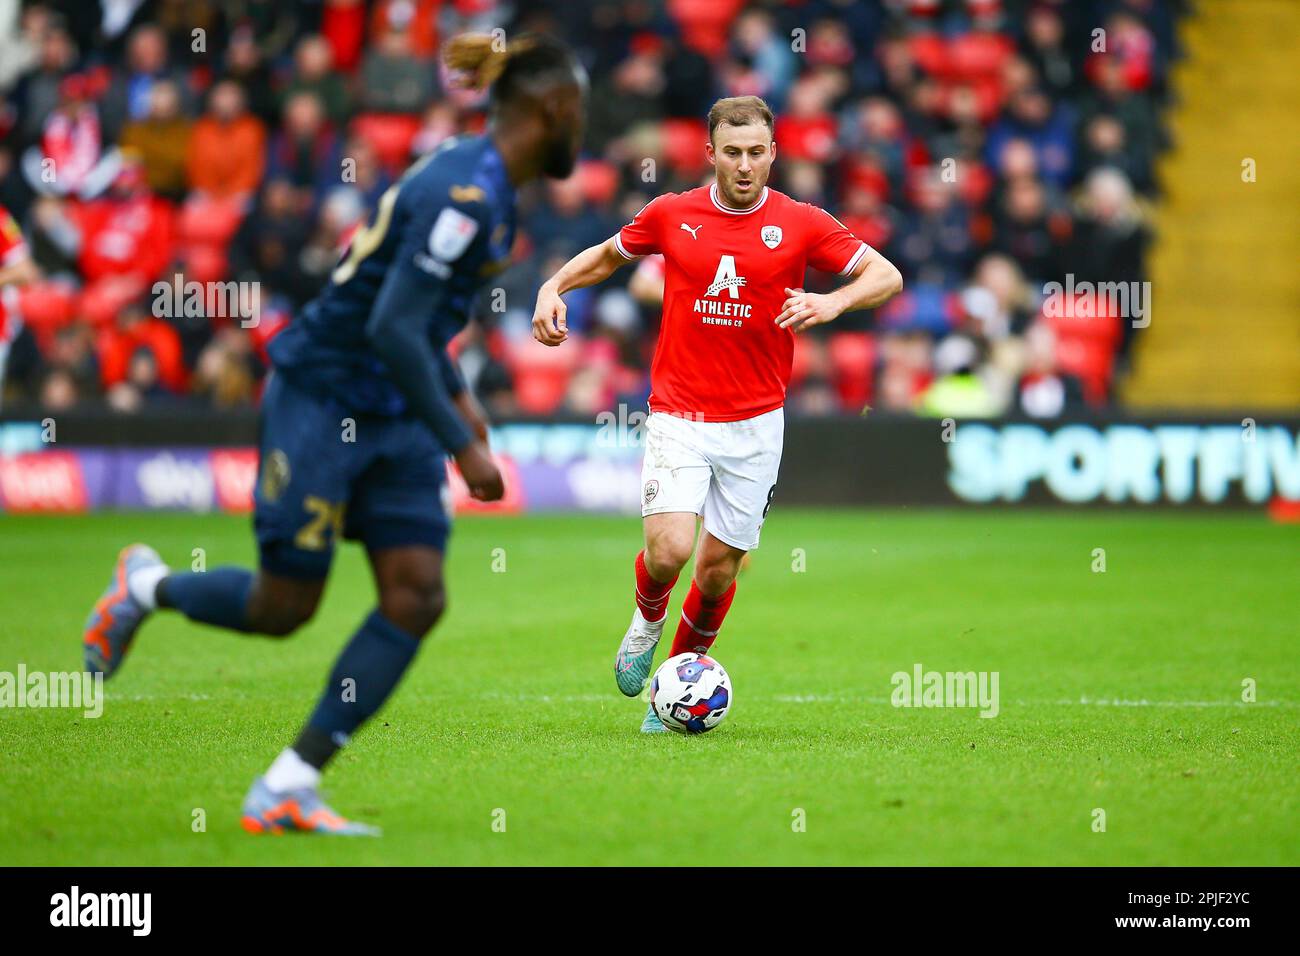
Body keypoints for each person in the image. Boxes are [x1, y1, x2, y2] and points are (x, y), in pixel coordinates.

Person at [83, 33, 588, 834]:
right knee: (285, 606)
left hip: (395, 410)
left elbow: (418, 325)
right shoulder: (465, 194)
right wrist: (462, 442)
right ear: (553, 109)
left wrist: (458, 398)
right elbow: (391, 328)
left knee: (417, 593)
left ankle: (288, 784)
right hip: (324, 396)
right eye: (579, 114)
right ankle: (145, 589)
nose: (581, 132)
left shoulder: (488, 189)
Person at [532, 95, 903, 732]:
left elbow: (886, 275)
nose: (744, 165)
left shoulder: (803, 222)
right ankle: (646, 623)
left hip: (758, 423)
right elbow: (607, 255)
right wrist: (551, 287)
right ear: (710, 154)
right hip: (679, 412)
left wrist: (832, 303)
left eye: (757, 152)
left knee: (716, 569)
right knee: (672, 548)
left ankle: (672, 692)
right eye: (732, 152)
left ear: (773, 155)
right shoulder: (673, 214)